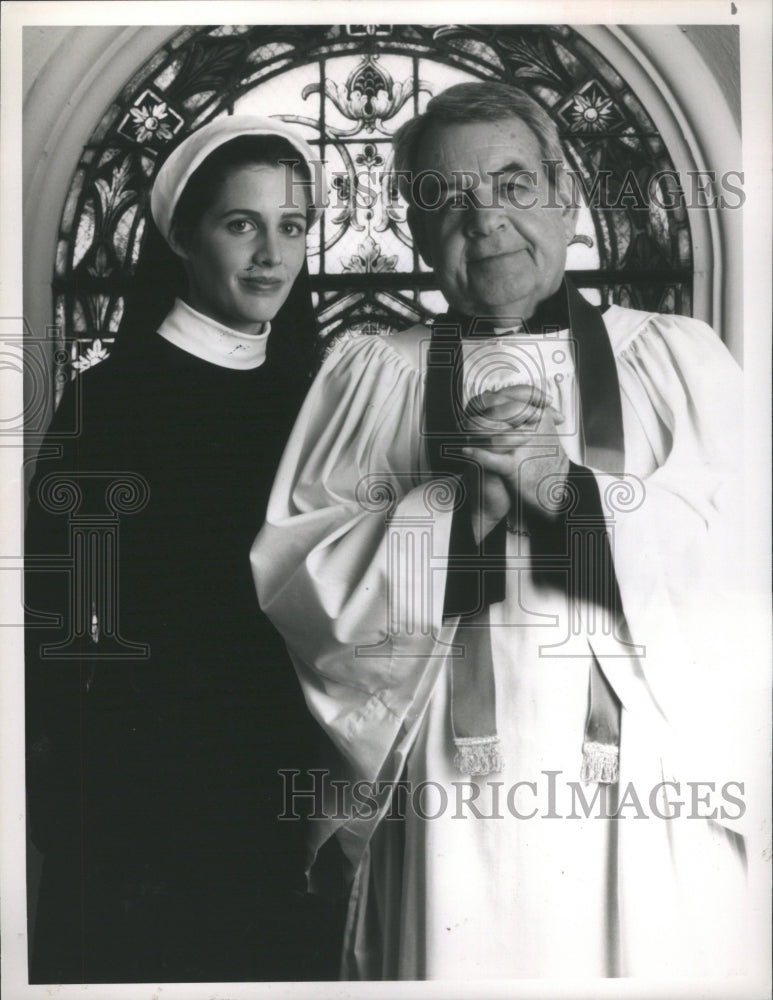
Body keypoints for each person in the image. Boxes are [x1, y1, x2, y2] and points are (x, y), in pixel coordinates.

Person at [251, 83, 763, 980]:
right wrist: (463, 511)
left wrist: (565, 492)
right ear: (413, 230)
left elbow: (742, 567)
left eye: (513, 184)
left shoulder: (674, 358)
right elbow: (302, 582)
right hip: (444, 797)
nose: (483, 221)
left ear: (567, 195)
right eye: (444, 201)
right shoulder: (369, 374)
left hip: (644, 797)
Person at [25, 116, 342, 983]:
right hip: (146, 793)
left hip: (281, 776)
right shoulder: (111, 402)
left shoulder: (310, 399)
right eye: (241, 224)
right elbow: (67, 628)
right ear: (182, 236)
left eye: (293, 226)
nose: (272, 253)